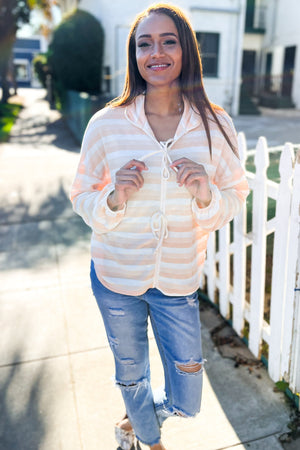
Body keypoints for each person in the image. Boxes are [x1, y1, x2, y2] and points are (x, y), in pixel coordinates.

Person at [70, 3, 249, 449]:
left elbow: (237, 193)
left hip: (177, 279)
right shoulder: (107, 124)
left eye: (168, 41)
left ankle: (137, 421)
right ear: (134, 55)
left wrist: (206, 194)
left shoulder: (214, 125)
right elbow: (80, 194)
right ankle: (149, 442)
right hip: (115, 276)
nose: (156, 52)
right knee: (131, 376)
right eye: (144, 43)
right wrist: (112, 198)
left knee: (188, 398)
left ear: (186, 49)